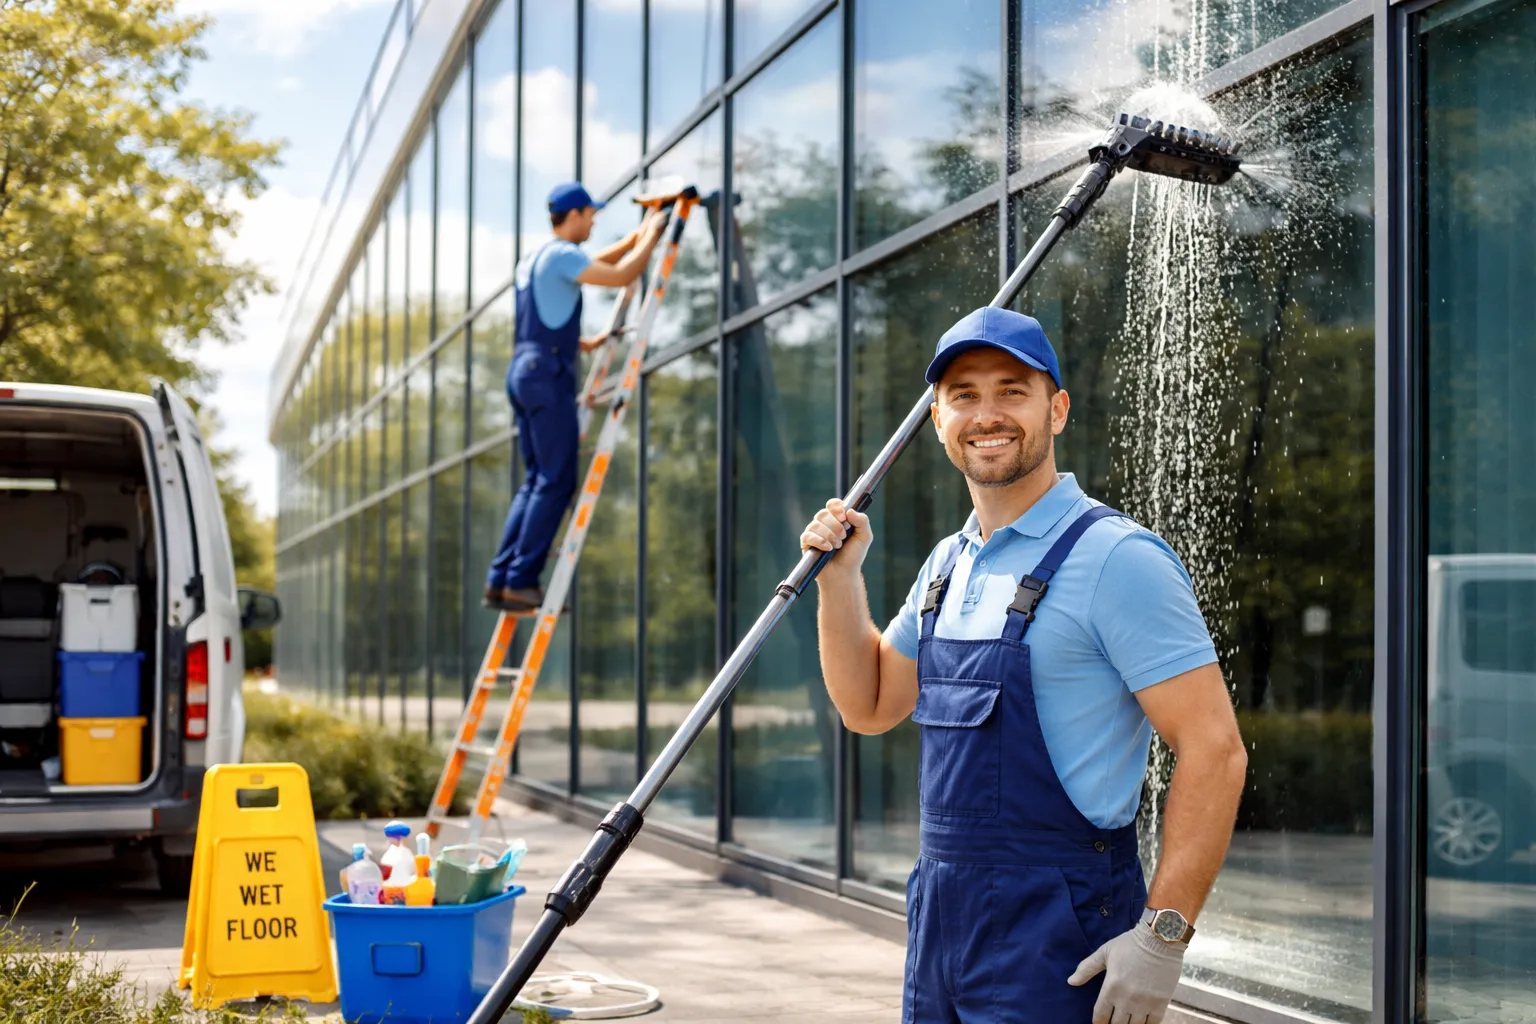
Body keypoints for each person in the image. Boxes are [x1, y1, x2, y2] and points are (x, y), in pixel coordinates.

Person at [799, 307, 1247, 1024]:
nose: (987, 414)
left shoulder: (1117, 558)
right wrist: (840, 580)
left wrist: (1163, 938)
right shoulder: (947, 564)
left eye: (1012, 390)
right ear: (940, 418)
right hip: (942, 924)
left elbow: (1215, 750)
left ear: (1057, 409)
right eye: (965, 395)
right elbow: (871, 706)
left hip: (1059, 935)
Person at [484, 181, 666, 612]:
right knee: (557, 481)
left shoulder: (536, 258)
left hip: (526, 370)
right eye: (591, 214)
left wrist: (638, 236)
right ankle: (521, 581)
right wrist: (653, 236)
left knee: (535, 482)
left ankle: (501, 579)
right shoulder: (564, 255)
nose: (594, 221)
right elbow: (621, 274)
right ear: (576, 215)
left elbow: (585, 271)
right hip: (546, 376)